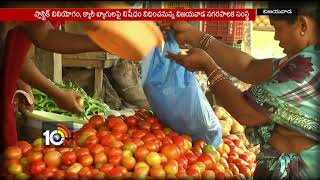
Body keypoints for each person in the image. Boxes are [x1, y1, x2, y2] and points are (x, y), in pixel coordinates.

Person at [159, 2, 320, 179]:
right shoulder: (303, 58)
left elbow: (247, 114)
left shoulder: (306, 68)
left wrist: (208, 66)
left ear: (303, 25)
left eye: (278, 28)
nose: (275, 37)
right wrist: (192, 34)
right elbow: (249, 67)